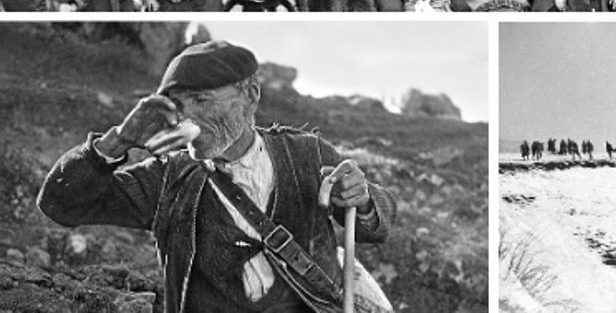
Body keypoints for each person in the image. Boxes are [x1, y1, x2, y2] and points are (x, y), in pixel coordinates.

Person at [37, 40, 397, 312]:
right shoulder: (167, 180)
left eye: (201, 101)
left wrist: (362, 199)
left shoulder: (307, 153)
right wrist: (118, 140)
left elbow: (374, 228)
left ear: (250, 96)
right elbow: (61, 204)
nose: (185, 118)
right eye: (177, 105)